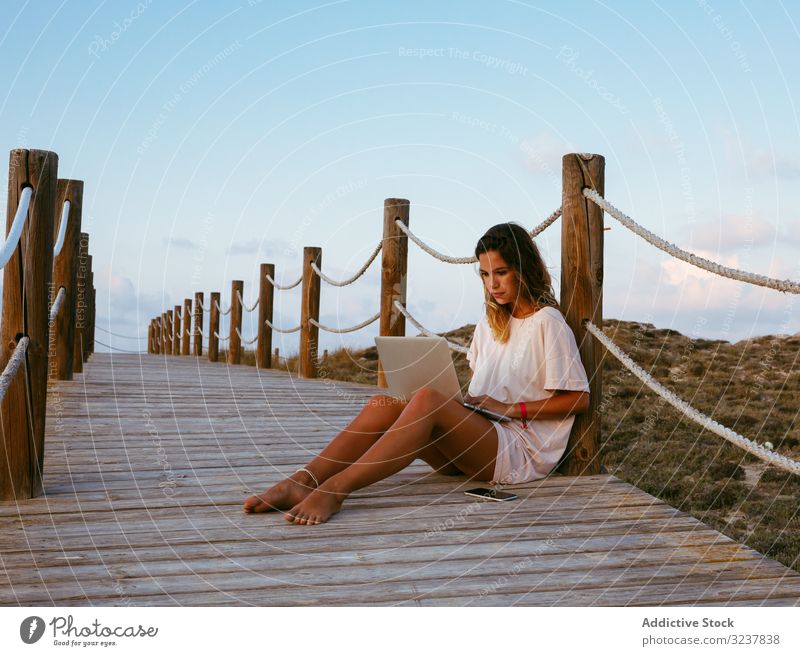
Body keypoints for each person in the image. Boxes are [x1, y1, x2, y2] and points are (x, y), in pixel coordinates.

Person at [243, 222, 590, 524]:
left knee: (427, 400)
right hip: (480, 438)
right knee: (386, 403)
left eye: (500, 273)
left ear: (522, 269)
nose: (492, 284)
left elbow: (579, 399)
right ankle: (304, 479)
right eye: (484, 274)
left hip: (519, 451)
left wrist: (512, 409)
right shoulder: (491, 322)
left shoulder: (548, 323)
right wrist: (467, 403)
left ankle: (336, 489)